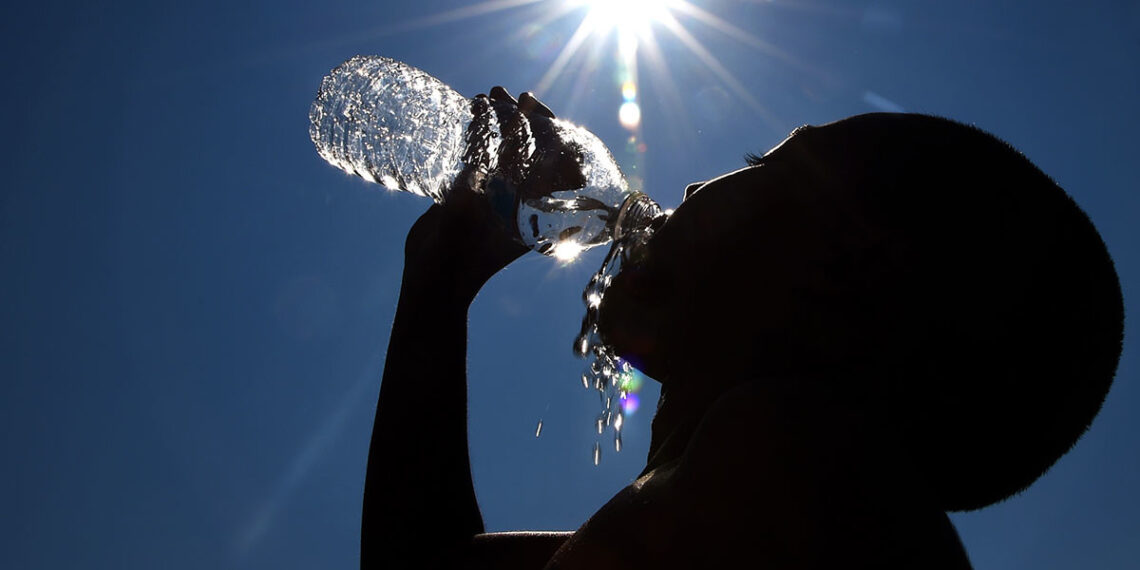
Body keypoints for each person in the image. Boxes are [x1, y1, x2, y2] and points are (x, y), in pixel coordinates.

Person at [359, 89, 1124, 569]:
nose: (692, 186)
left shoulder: (787, 466)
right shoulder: (724, 509)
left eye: (765, 164)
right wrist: (438, 280)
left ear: (840, 272)